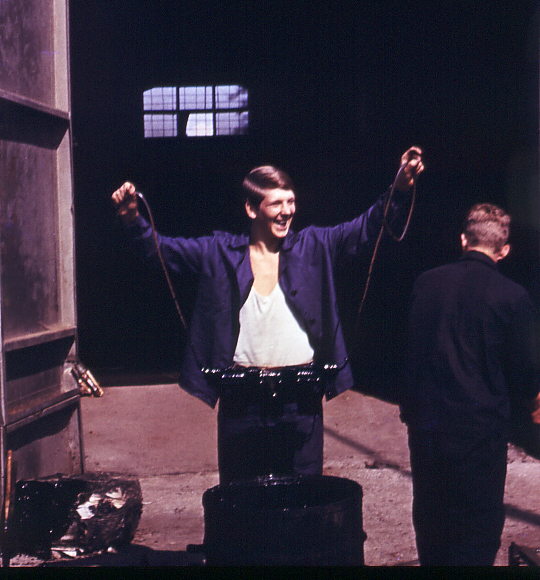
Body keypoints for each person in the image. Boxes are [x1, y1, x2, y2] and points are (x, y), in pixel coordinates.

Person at [112, 147, 424, 484]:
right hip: (241, 403)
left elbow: (368, 227)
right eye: (276, 204)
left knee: (303, 498)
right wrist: (132, 219)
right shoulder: (217, 252)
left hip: (301, 401)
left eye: (291, 202)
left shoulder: (314, 246)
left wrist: (399, 189)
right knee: (242, 500)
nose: (287, 211)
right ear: (251, 208)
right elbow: (160, 252)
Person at [400, 203, 540, 565]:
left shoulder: (426, 283)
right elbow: (524, 370)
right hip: (479, 435)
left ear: (464, 240)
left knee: (431, 523)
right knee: (476, 530)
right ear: (503, 250)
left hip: (428, 429)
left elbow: (410, 351)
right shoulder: (513, 297)